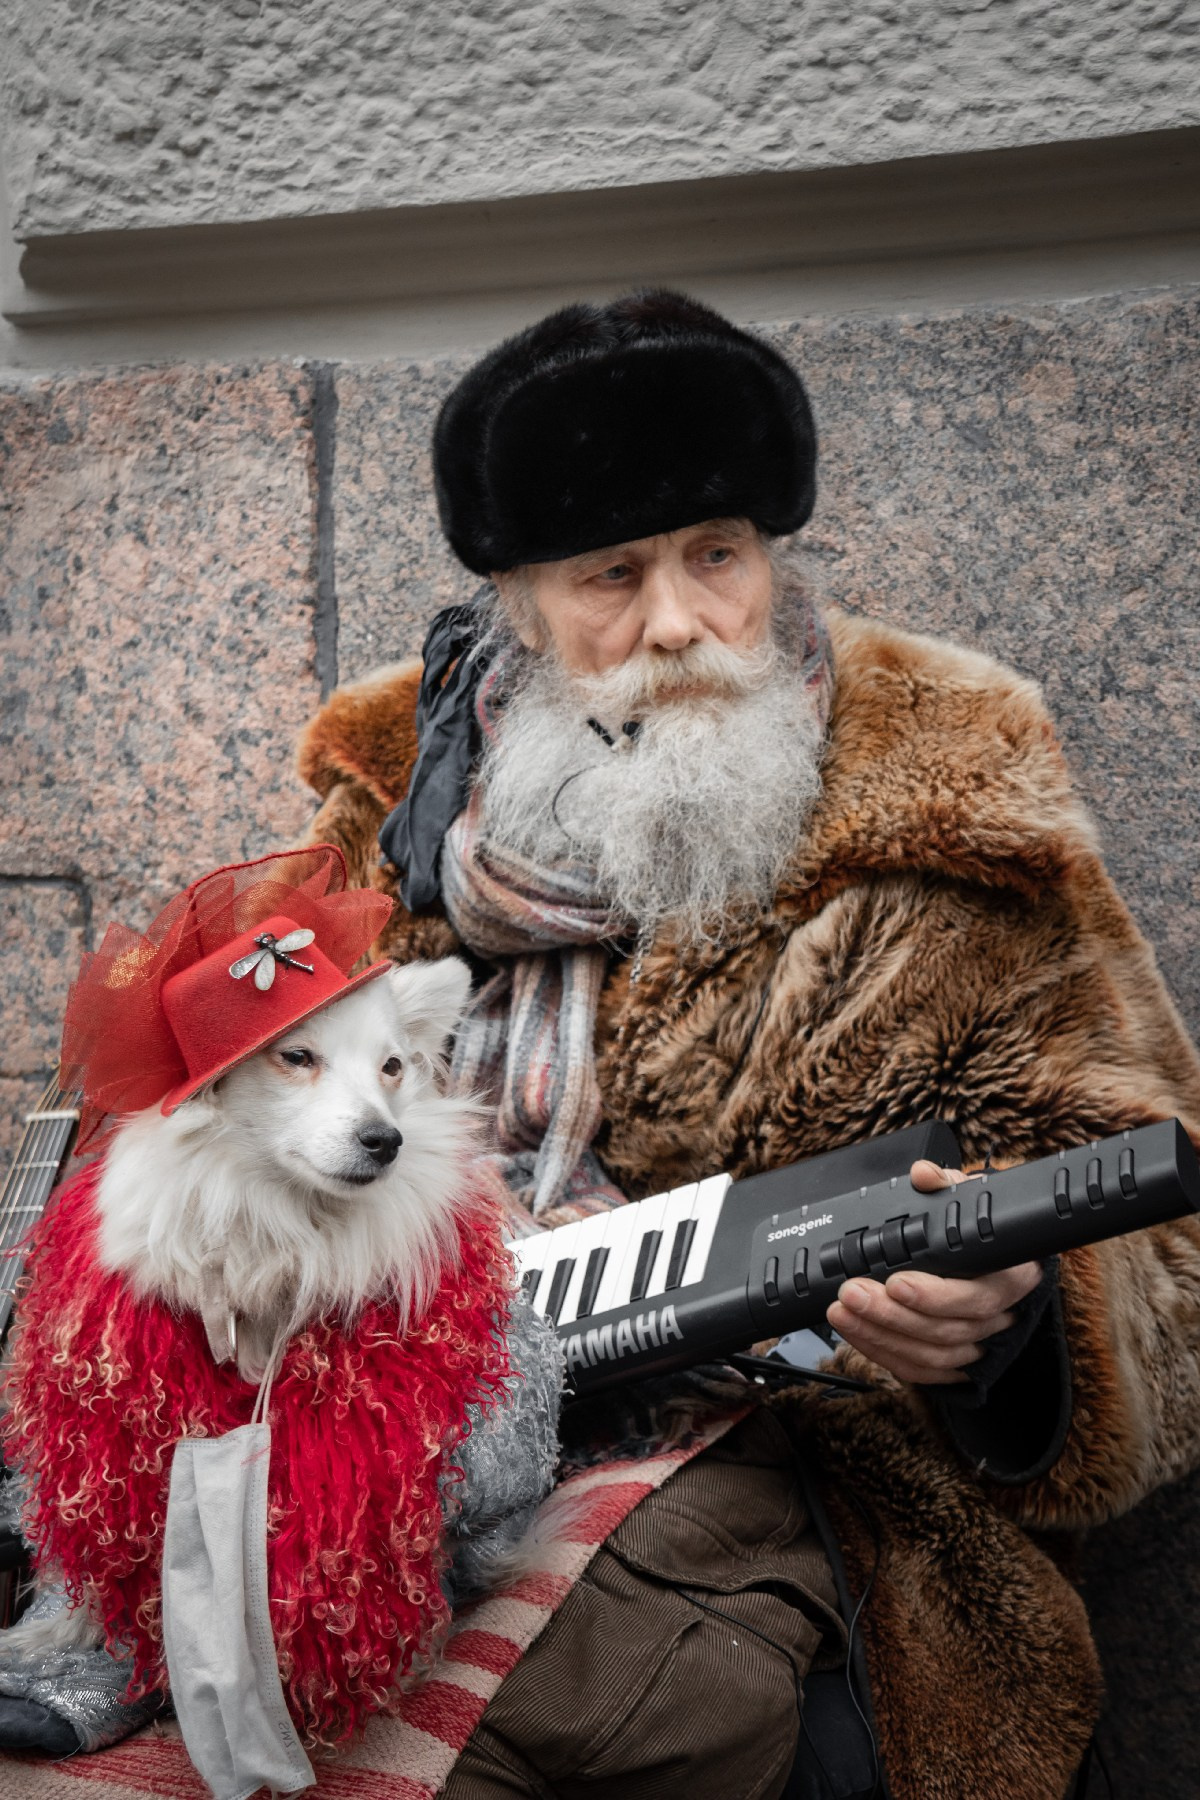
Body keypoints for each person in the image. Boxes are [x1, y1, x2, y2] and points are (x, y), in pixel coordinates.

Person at [296, 289, 1200, 1800]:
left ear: (772, 557)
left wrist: (1017, 1335)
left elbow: (1164, 1259)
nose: (676, 624)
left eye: (718, 556)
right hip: (405, 1448)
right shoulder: (389, 797)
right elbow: (231, 1113)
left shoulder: (947, 780)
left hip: (834, 1510)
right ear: (516, 600)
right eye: (611, 575)